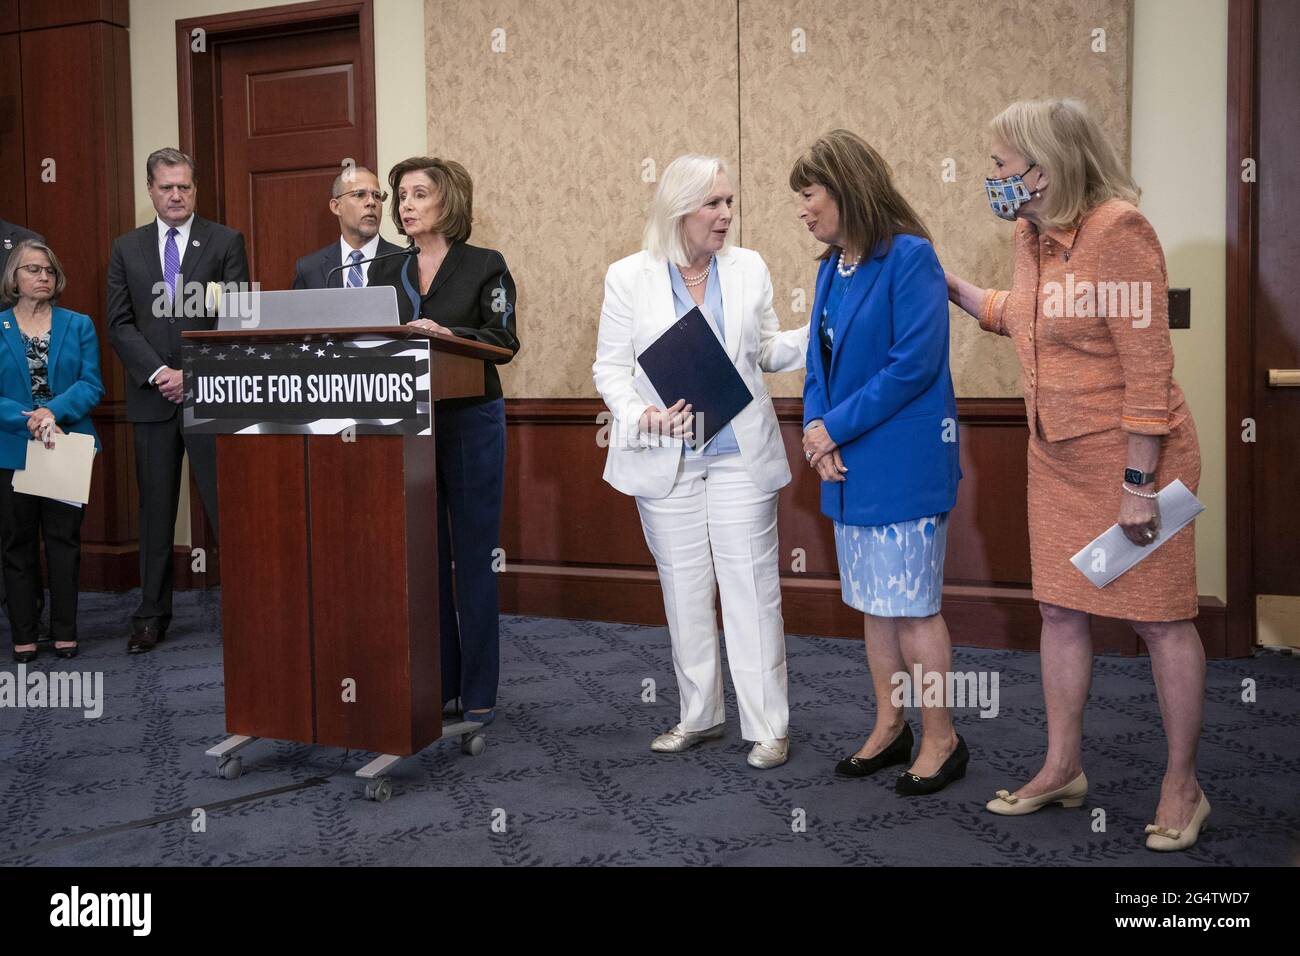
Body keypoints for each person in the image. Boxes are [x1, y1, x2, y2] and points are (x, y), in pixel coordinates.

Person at [945, 99, 1208, 851]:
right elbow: (1026, 319)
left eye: (999, 164)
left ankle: (1182, 786)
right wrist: (957, 287)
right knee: (1060, 612)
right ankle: (1062, 767)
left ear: (1043, 167)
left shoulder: (1118, 230)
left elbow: (1149, 370)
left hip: (1133, 461)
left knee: (1160, 621)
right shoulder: (1031, 234)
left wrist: (1138, 483)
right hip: (1056, 459)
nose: (991, 176)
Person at [593, 154, 809, 769]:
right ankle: (700, 716)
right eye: (714, 203)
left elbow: (765, 350)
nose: (726, 215)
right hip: (665, 456)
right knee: (685, 591)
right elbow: (609, 367)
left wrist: (821, 328)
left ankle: (769, 726)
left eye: (729, 202)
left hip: (740, 452)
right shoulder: (628, 276)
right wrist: (642, 417)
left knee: (751, 586)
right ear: (679, 208)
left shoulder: (748, 269)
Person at [793, 130, 965, 795]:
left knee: (915, 607)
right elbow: (818, 363)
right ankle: (892, 726)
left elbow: (913, 366)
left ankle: (943, 737)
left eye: (809, 195)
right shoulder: (832, 267)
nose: (803, 210)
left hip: (903, 462)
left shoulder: (910, 257)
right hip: (846, 463)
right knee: (873, 605)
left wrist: (831, 428)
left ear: (844, 188)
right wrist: (815, 429)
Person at [368, 157, 519, 725]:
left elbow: (504, 340)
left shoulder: (486, 265)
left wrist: (448, 334)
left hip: (471, 419)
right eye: (400, 195)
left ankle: (478, 690)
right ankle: (440, 683)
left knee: (474, 557)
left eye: (418, 194)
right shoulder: (386, 269)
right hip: (408, 426)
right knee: (422, 557)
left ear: (448, 201)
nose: (404, 205)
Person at [107, 147, 249, 654]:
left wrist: (192, 373)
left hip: (212, 395)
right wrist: (160, 372)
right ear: (150, 189)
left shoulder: (226, 241)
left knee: (227, 506)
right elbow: (120, 323)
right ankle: (151, 614)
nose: (175, 195)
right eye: (166, 186)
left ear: (195, 189)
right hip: (151, 399)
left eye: (184, 186)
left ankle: (247, 611)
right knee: (156, 511)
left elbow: (236, 318)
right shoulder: (127, 248)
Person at [0, 241, 103, 662]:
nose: (42, 277)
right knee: (17, 544)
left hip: (66, 446)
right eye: (32, 270)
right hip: (13, 449)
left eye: (48, 270)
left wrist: (51, 411)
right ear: (14, 278)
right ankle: (24, 633)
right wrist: (26, 417)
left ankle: (64, 632)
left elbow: (91, 383)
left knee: (64, 541)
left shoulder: (79, 325)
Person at [291, 166, 403, 289]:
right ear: (336, 207)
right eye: (359, 194)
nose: (371, 202)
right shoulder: (309, 269)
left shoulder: (404, 261)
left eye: (377, 195)